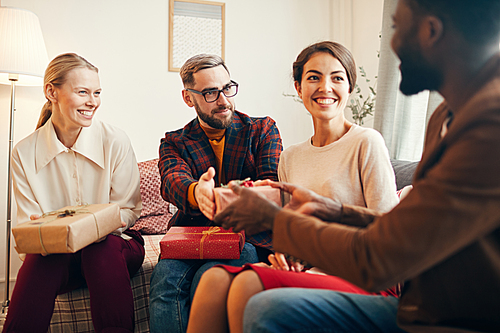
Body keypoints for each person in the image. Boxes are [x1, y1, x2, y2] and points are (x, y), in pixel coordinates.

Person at [214, 0, 500, 332]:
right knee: (253, 300)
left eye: (396, 27)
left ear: (430, 31)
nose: (391, 45)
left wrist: (270, 218)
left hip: (455, 320)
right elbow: (403, 227)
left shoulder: (488, 128)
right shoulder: (446, 116)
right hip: (420, 307)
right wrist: (335, 211)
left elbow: (380, 258)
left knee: (260, 302)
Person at [186, 41, 400, 333]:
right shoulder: (291, 157)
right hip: (309, 268)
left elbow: (388, 233)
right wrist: (285, 255)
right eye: (314, 77)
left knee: (247, 283)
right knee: (213, 280)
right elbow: (290, 231)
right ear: (299, 88)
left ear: (349, 88)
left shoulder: (366, 142)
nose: (325, 87)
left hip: (361, 273)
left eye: (337, 78)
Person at [4, 53, 144, 333]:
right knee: (39, 259)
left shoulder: (115, 140)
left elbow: (128, 210)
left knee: (98, 248)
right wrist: (46, 235)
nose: (93, 101)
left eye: (97, 92)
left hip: (116, 246)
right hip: (59, 255)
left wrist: (92, 229)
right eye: (83, 92)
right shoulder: (23, 152)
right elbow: (28, 228)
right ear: (51, 92)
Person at [149, 54, 282, 333]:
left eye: (227, 88)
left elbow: (271, 185)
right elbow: (172, 181)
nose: (223, 100)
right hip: (191, 234)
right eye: (210, 93)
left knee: (206, 281)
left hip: (244, 235)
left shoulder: (261, 130)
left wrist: (225, 196)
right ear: (189, 98)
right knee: (164, 283)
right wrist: (198, 192)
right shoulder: (174, 141)